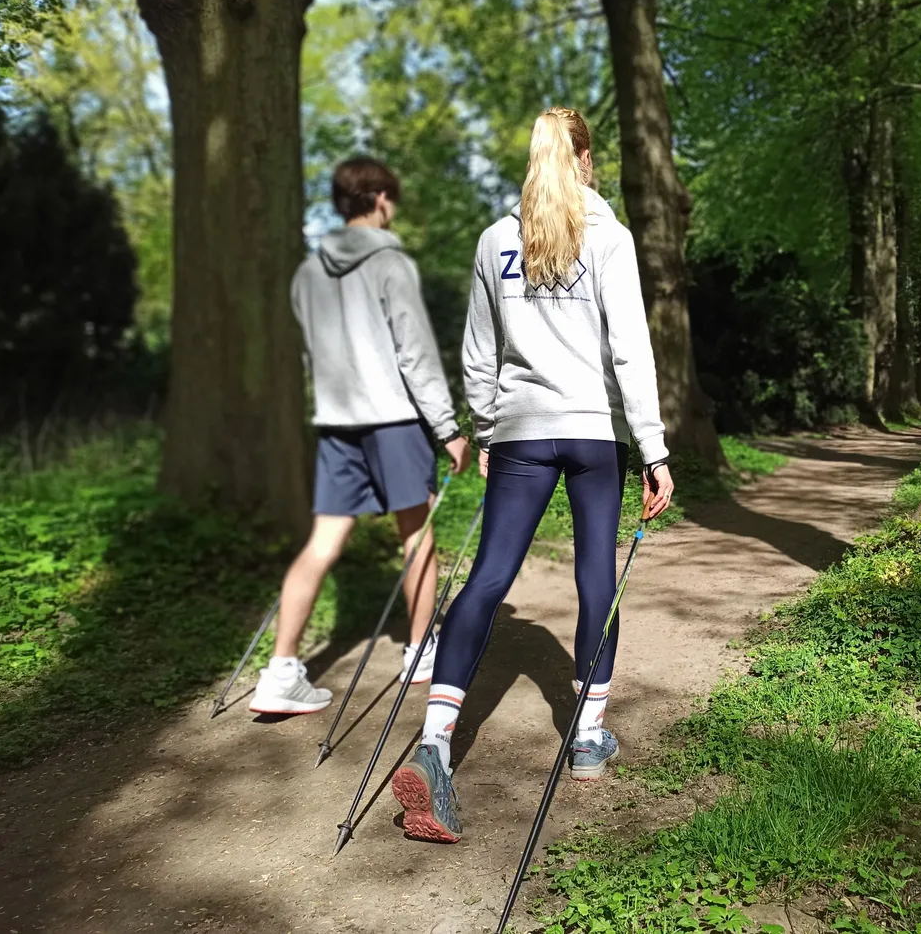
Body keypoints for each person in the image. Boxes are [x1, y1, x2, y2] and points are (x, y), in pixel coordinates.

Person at [389, 107, 674, 843]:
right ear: (585, 160)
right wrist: (653, 448)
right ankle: (587, 738)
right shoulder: (609, 238)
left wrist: (487, 429)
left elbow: (477, 352)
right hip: (592, 433)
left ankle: (434, 742)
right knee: (594, 574)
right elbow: (630, 350)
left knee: (488, 576)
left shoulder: (496, 241)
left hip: (520, 430)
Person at [250, 157, 472, 715]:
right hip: (394, 420)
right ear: (377, 198)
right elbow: (415, 354)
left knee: (322, 543)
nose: (392, 208)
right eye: (391, 198)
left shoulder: (307, 273)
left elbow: (312, 353)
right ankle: (420, 653)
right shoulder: (392, 264)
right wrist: (447, 429)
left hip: (336, 424)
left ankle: (280, 672)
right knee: (417, 536)